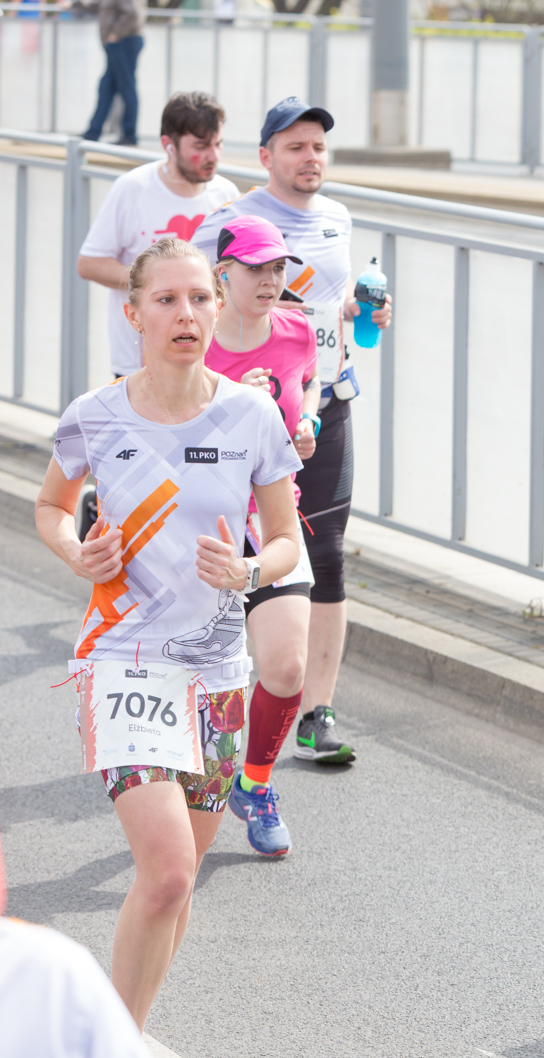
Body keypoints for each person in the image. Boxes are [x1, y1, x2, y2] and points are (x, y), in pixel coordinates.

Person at [35, 237, 301, 1028]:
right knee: (168, 869)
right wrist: (75, 549)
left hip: (216, 670)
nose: (186, 314)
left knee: (175, 886)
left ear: (218, 307)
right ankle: (106, 1047)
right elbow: (50, 506)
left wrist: (250, 572)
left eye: (199, 299)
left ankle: (125, 1030)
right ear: (135, 312)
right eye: (166, 300)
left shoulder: (251, 414)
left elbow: (286, 538)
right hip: (125, 661)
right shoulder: (95, 415)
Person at [194, 96, 392, 767]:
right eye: (296, 147)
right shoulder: (229, 222)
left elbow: (329, 311)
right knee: (227, 547)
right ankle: (226, 687)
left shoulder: (337, 217)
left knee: (328, 551)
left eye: (319, 148)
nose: (311, 159)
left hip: (320, 403)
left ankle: (317, 710)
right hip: (241, 417)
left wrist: (366, 311)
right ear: (266, 156)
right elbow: (186, 294)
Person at [205, 215, 320, 858]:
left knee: (285, 667)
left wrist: (305, 437)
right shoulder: (195, 342)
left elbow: (305, 415)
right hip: (206, 527)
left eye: (278, 267)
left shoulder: (299, 332)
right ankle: (187, 781)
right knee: (207, 678)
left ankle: (254, 784)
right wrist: (229, 407)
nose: (272, 280)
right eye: (257, 268)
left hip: (273, 522)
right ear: (224, 274)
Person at [78, 92, 238, 380]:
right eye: (201, 146)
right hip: (136, 361)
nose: (213, 156)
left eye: (218, 144)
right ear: (168, 145)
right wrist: (155, 286)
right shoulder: (132, 188)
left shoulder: (226, 195)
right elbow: (89, 263)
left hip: (209, 360)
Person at [0, 837, 154, 1058]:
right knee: (169, 874)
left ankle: (124, 1032)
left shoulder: (47, 967)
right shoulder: (46, 967)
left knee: (179, 878)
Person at [75, 0, 145, 146]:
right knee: (106, 86)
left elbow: (133, 14)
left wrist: (115, 35)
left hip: (124, 42)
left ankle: (129, 135)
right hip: (118, 44)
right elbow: (104, 6)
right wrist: (76, 4)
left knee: (126, 87)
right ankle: (93, 132)